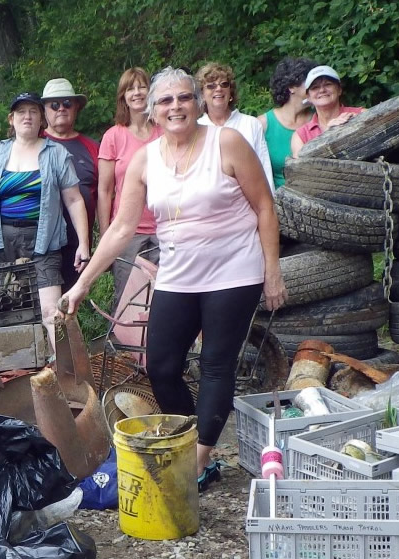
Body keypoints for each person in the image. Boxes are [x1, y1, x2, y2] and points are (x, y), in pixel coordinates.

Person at [61, 67, 286, 492]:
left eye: (183, 98)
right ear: (151, 110)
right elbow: (122, 228)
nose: (175, 106)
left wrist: (271, 272)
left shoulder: (227, 142)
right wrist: (83, 282)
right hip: (178, 275)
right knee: (161, 365)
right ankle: (192, 444)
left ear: (198, 103)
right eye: (165, 101)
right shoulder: (146, 158)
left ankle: (198, 462)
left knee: (215, 364)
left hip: (234, 270)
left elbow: (264, 208)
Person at [0, 93, 92, 336]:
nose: (27, 117)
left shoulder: (56, 153)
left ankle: (70, 371)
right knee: (1, 313)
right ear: (11, 119)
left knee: (51, 312)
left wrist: (84, 243)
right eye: (21, 112)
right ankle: (11, 371)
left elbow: (74, 200)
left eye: (33, 111)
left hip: (43, 241)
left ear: (42, 119)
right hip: (0, 242)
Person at [97, 66, 163, 294]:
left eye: (142, 86)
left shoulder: (165, 131)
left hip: (164, 228)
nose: (137, 93)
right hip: (128, 231)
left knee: (166, 299)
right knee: (127, 301)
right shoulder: (113, 136)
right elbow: (104, 191)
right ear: (123, 96)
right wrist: (106, 235)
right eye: (130, 88)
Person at [41, 78, 99, 289]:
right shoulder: (33, 143)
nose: (61, 108)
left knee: (73, 307)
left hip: (77, 246)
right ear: (44, 110)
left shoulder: (93, 147)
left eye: (67, 103)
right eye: (54, 105)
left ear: (76, 107)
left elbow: (106, 196)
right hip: (39, 245)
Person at [196, 62, 273, 191]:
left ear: (230, 92)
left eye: (224, 84)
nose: (218, 89)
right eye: (211, 86)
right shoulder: (197, 128)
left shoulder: (251, 124)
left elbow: (264, 167)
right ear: (202, 95)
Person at [255, 57, 317, 188]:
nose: (316, 88)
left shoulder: (317, 120)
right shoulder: (263, 124)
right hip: (277, 200)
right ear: (291, 87)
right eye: (310, 82)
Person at [289, 66, 364, 158]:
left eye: (328, 84)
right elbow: (302, 169)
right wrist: (327, 136)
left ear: (339, 89)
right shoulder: (300, 136)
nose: (322, 90)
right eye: (315, 87)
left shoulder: (361, 114)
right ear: (308, 96)